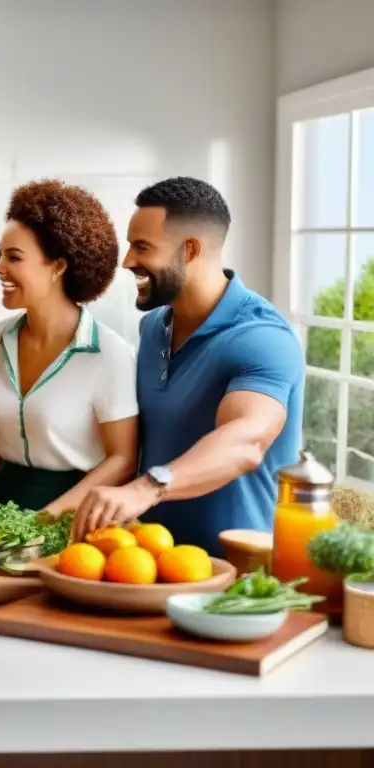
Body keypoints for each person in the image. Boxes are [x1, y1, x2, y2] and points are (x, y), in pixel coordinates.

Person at [73, 176, 305, 555]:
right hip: (147, 563)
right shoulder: (152, 328)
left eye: (142, 247)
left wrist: (146, 488)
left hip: (236, 574)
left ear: (190, 250)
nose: (128, 261)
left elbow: (245, 441)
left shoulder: (262, 338)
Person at [0, 180, 140, 516]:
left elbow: (123, 460)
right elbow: (13, 444)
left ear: (58, 266)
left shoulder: (109, 354)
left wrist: (46, 519)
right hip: (1, 509)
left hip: (73, 514)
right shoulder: (0, 339)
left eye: (14, 257)